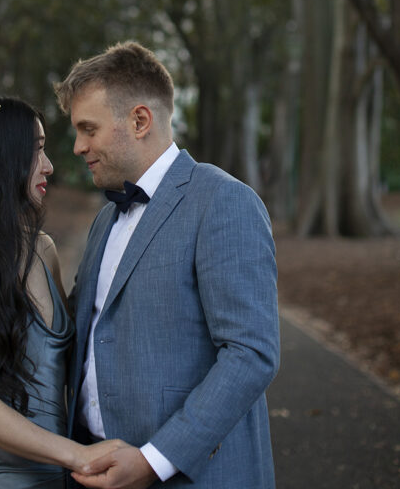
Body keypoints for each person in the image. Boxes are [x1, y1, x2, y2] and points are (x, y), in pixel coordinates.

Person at [55, 42, 280, 489]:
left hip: (192, 475)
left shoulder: (223, 202)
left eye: (88, 129)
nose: (79, 146)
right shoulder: (105, 220)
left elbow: (250, 352)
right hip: (91, 470)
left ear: (139, 121)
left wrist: (155, 460)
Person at [0, 95, 123, 488]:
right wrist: (78, 456)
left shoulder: (42, 249)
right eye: (36, 151)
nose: (48, 165)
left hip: (59, 478)